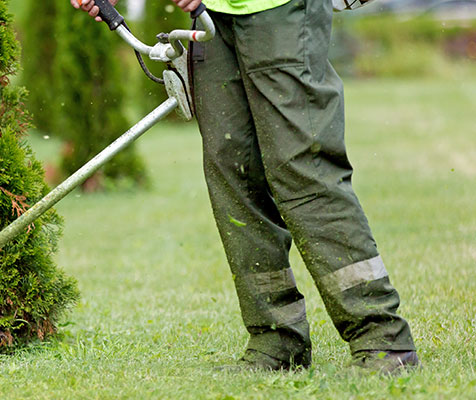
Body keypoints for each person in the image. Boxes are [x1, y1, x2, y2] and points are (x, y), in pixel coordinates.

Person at [70, 0, 418, 373]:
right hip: (212, 15)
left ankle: (382, 339)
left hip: (277, 8)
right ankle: (276, 339)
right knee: (232, 171)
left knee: (302, 166)